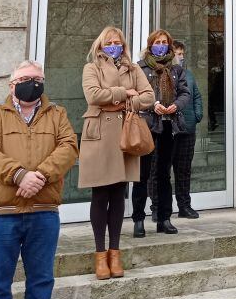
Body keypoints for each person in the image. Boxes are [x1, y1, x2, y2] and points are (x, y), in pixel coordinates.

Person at [0, 61, 79, 299]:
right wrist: (20, 175)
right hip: (2, 215)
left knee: (41, 282)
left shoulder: (58, 114)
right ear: (12, 85)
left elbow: (68, 147)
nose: (32, 83)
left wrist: (40, 176)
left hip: (44, 212)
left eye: (37, 78)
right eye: (25, 78)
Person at [79, 26, 154, 278]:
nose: (114, 46)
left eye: (118, 42)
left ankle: (115, 252)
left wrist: (122, 100)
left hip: (125, 134)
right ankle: (100, 254)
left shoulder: (133, 68)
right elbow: (93, 95)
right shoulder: (92, 68)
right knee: (100, 194)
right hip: (99, 134)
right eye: (109, 42)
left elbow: (148, 97)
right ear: (101, 46)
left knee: (119, 194)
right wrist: (124, 93)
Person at [140, 29, 190, 234]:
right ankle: (139, 219)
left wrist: (176, 105)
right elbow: (137, 94)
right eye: (157, 42)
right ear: (150, 45)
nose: (161, 45)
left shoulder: (176, 68)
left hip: (170, 124)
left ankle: (164, 218)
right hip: (148, 124)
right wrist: (153, 105)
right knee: (144, 174)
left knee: (163, 174)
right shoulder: (140, 68)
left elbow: (185, 92)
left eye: (164, 42)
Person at [173, 40, 203, 219]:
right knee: (160, 171)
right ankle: (157, 208)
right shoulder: (164, 74)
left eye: (183, 54)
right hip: (168, 130)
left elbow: (197, 96)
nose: (181, 57)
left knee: (184, 170)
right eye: (178, 53)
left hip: (188, 128)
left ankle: (184, 206)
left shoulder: (189, 75)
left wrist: (197, 114)